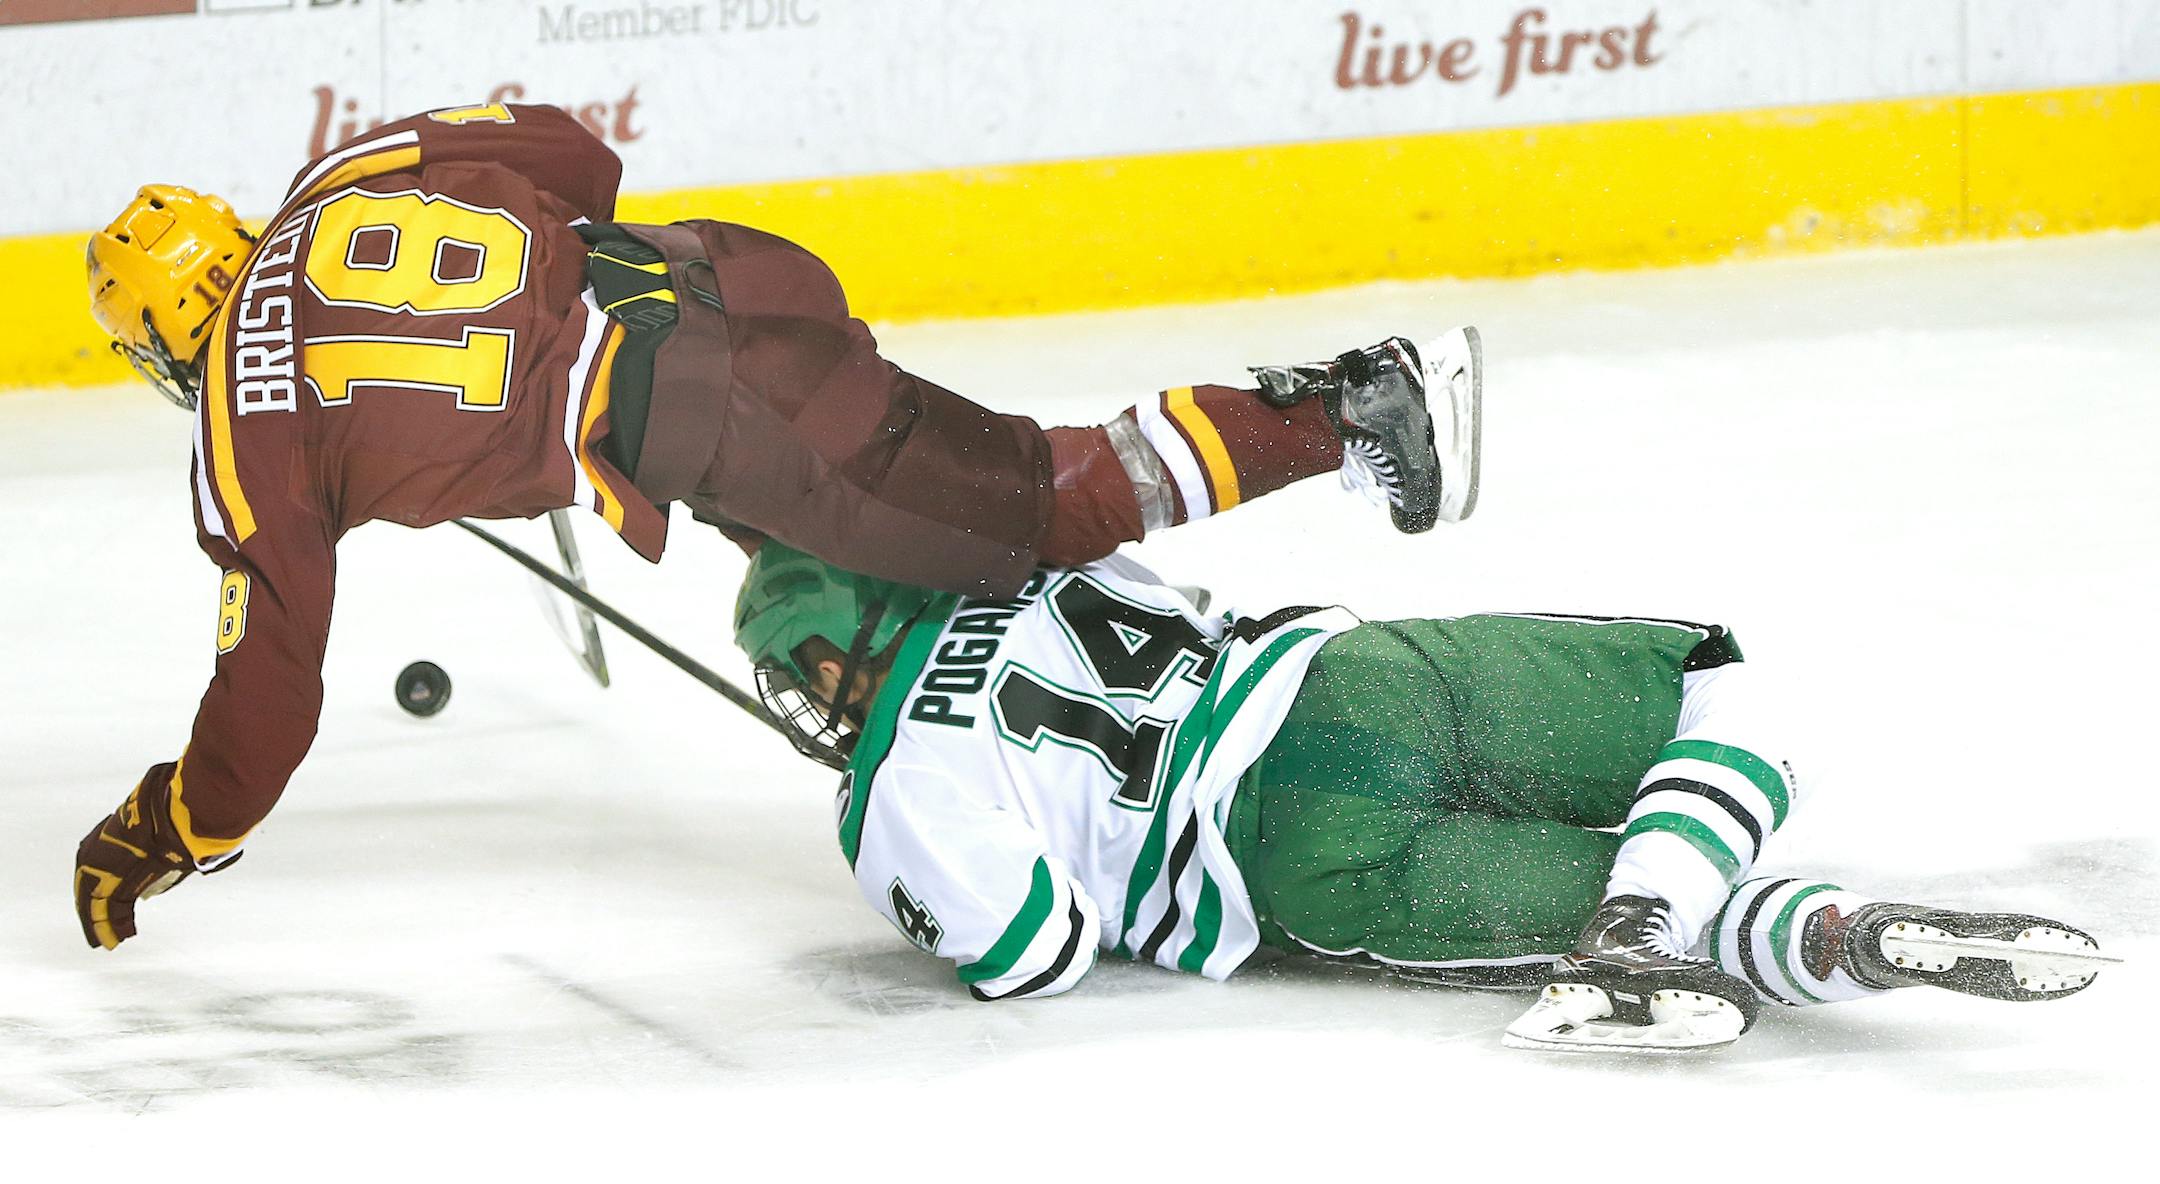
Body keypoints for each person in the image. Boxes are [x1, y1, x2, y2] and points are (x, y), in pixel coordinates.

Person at [73, 101, 1484, 951]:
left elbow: (267, 693)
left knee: (1036, 502)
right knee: (842, 549)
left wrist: (172, 825)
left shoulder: (244, 441)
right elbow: (574, 152)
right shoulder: (345, 179)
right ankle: (1045, 695)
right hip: (723, 282)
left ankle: (1351, 410)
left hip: (715, 418)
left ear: (157, 350)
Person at [729, 543, 2112, 1052]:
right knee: (1713, 684)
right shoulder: (1025, 562)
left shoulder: (898, 784)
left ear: (832, 661)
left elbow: (1032, 950)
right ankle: (1691, 911)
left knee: (1592, 914)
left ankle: (1788, 938)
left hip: (1292, 858)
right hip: (1363, 687)